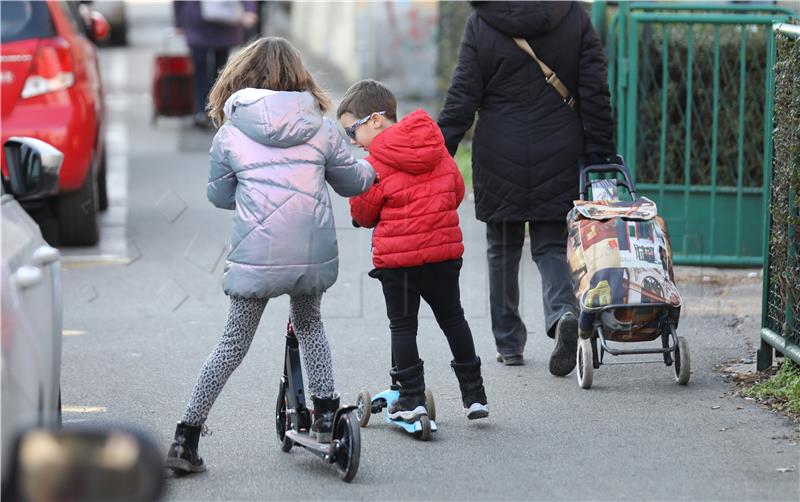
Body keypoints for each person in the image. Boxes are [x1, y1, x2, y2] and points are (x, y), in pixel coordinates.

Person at [165, 37, 376, 474]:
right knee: (311, 325)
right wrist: (374, 165)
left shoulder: (230, 132)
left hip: (256, 257)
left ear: (241, 77)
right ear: (300, 76)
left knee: (231, 345)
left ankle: (186, 437)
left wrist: (252, 192)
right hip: (309, 255)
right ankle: (324, 413)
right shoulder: (319, 127)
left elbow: (220, 196)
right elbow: (353, 183)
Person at [437, 1, 616, 374]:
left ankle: (509, 343)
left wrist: (440, 152)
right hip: (560, 146)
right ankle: (562, 314)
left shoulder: (482, 22)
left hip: (498, 149)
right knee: (551, 244)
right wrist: (601, 152)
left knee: (502, 249)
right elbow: (595, 92)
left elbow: (463, 94)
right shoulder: (574, 17)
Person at [338, 79, 489, 422]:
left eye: (352, 132)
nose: (352, 142)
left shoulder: (375, 163)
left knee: (403, 326)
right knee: (453, 318)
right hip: (444, 255)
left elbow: (363, 212)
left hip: (398, 261)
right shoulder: (435, 145)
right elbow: (455, 190)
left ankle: (411, 398)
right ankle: (475, 396)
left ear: (375, 120)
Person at [173, 1, 259, 128]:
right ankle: (202, 110)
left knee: (219, 70)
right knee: (201, 67)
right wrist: (178, 21)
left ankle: (215, 108)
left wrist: (249, 9)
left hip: (224, 20)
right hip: (198, 21)